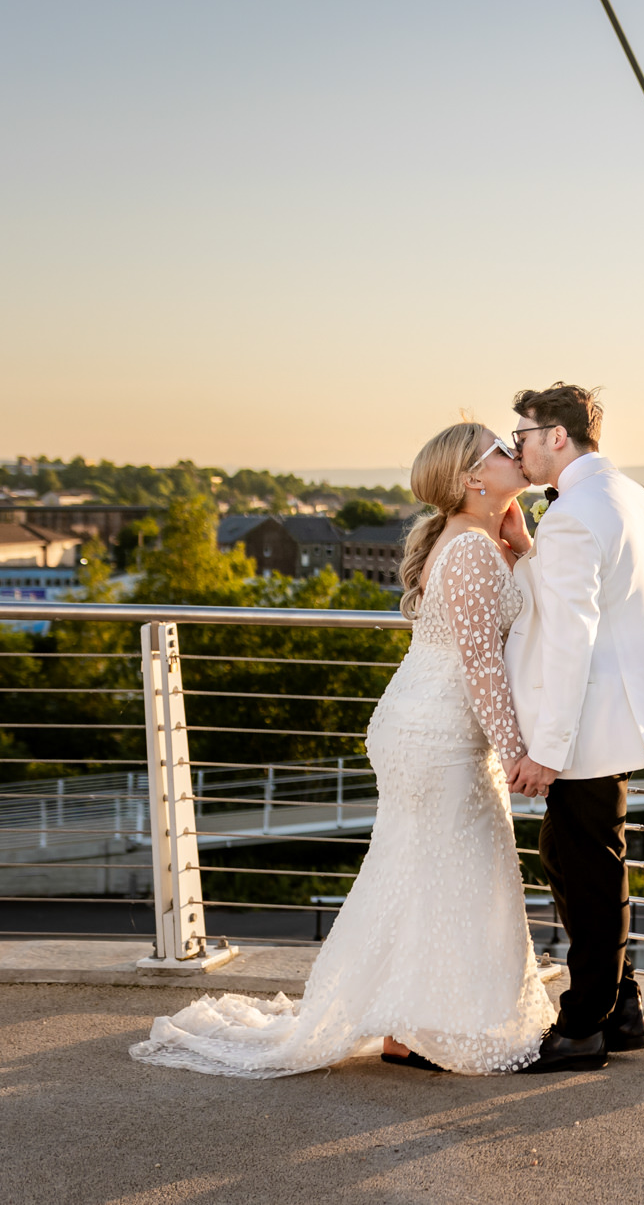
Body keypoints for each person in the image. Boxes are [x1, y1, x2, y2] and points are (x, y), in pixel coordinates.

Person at [131, 423, 555, 1077]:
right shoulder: (471, 550)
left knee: (425, 871)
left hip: (425, 724)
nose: (514, 455)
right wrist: (518, 750)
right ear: (473, 479)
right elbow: (481, 663)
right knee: (460, 870)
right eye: (500, 450)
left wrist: (523, 546)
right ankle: (416, 1027)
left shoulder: (476, 539)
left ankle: (406, 1026)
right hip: (438, 732)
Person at [503, 383, 644, 1074]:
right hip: (625, 708)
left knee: (582, 868)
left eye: (521, 434)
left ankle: (583, 1027)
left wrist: (546, 751)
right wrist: (531, 552)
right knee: (583, 860)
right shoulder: (631, 497)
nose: (515, 447)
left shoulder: (575, 514)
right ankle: (623, 1006)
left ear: (557, 435)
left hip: (589, 722)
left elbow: (571, 638)